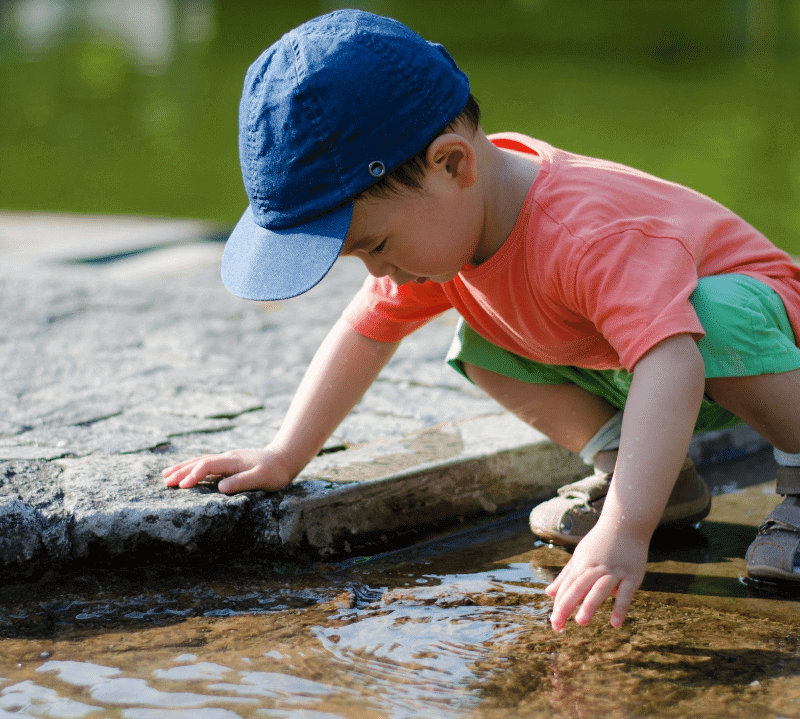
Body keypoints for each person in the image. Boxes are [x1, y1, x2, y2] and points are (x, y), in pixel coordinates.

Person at [163, 9, 800, 631]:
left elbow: (673, 357)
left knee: (712, 318)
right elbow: (365, 331)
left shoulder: (582, 232)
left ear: (452, 164)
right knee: (481, 342)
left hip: (764, 346)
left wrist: (622, 534)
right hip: (650, 368)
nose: (379, 275)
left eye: (376, 246)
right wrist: (283, 454)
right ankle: (662, 488)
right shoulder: (457, 222)